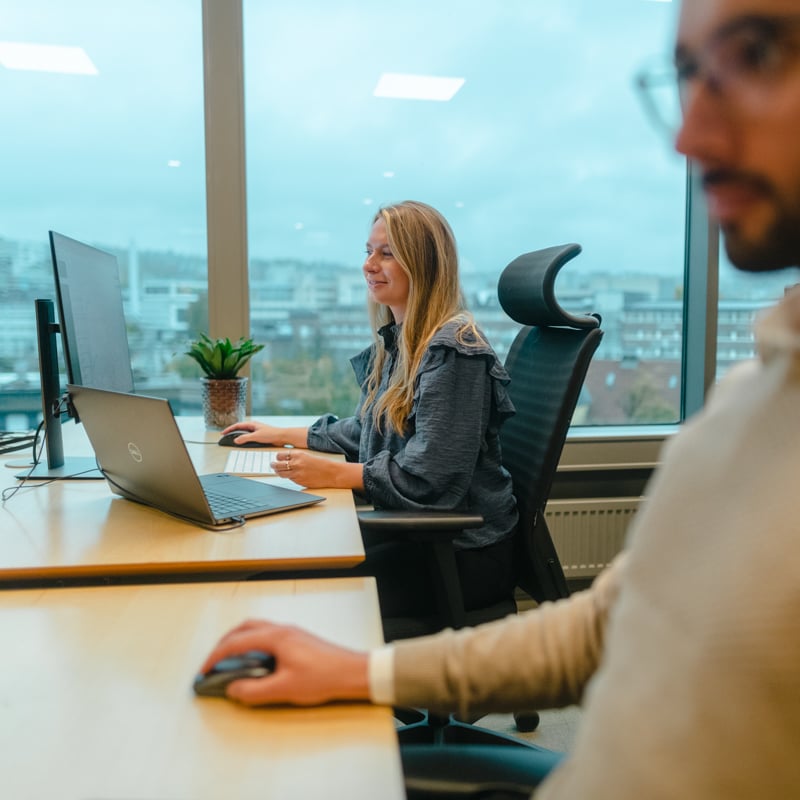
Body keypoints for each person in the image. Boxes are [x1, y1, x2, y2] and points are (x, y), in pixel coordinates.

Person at [200, 1, 800, 796]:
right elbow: (602, 627)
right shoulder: (745, 404)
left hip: (446, 538)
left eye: (756, 54)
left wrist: (339, 484)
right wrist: (358, 672)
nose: (687, 136)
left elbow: (431, 478)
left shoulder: (455, 349)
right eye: (688, 76)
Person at [223, 199, 518, 618]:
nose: (369, 265)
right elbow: (371, 430)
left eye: (387, 253)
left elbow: (431, 478)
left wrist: (337, 474)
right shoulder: (403, 341)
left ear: (424, 264)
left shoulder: (455, 352)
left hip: (457, 556)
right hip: (417, 539)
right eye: (368, 252)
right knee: (268, 567)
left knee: (274, 592)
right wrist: (288, 435)